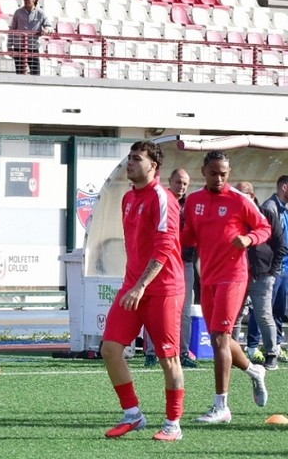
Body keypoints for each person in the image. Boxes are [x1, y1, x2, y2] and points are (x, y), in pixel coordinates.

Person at [101, 141, 185, 442]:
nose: (130, 163)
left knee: (168, 359)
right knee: (110, 349)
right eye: (129, 158)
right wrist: (133, 283)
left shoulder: (162, 198)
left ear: (154, 166)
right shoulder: (127, 198)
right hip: (134, 286)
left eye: (137, 159)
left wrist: (141, 285)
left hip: (163, 289)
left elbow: (164, 248)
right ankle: (133, 415)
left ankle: (173, 424)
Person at [181, 150, 271, 424]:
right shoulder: (194, 201)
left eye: (223, 174)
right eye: (213, 173)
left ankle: (222, 407)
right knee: (221, 337)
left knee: (220, 336)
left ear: (228, 174)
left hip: (233, 276)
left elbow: (265, 227)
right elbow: (189, 237)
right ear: (203, 171)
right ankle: (254, 371)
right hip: (207, 276)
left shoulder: (240, 201)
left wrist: (249, 238)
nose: (218, 178)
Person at [143, 168, 199, 369]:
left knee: (184, 310)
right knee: (152, 307)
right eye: (178, 182)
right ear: (170, 181)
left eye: (185, 183)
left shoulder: (190, 206)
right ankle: (150, 354)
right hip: (161, 263)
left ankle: (183, 352)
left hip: (185, 262)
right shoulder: (160, 200)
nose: (181, 187)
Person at [233, 181, 286, 371]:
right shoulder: (234, 216)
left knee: (264, 314)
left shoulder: (267, 214)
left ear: (252, 196)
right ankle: (233, 354)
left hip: (262, 274)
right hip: (238, 274)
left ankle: (271, 354)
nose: (238, 198)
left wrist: (272, 269)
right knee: (235, 315)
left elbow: (281, 245)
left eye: (242, 194)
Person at [249, 176, 288, 365]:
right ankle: (251, 348)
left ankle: (273, 349)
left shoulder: (276, 210)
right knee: (258, 311)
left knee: (273, 311)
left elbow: (282, 242)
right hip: (259, 271)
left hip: (274, 270)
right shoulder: (271, 207)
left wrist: (275, 267)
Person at [8, 0, 53, 76]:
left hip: (33, 47)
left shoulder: (40, 13)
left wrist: (46, 30)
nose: (25, 0)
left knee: (36, 73)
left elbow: (50, 27)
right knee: (20, 74)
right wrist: (9, 46)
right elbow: (12, 30)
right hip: (19, 47)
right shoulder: (18, 12)